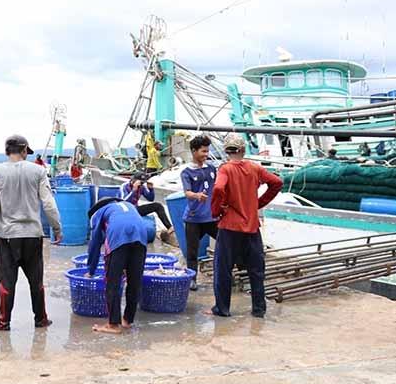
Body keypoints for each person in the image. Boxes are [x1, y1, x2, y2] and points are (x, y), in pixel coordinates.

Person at [0, 135, 62, 331]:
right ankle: (41, 319)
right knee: (36, 280)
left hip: (7, 236)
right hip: (33, 235)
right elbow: (49, 203)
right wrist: (57, 228)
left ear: (6, 151)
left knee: (7, 281)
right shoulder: (38, 171)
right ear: (25, 150)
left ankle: (3, 322)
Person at [208, 134, 282, 318]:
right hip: (251, 226)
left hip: (229, 227)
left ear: (226, 151)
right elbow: (277, 182)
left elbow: (218, 188)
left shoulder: (225, 169)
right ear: (243, 150)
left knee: (223, 269)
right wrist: (258, 203)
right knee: (256, 270)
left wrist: (217, 210)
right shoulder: (254, 168)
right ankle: (258, 309)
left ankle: (222, 309)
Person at [87, 198, 149, 334]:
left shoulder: (99, 213)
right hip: (141, 235)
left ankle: (113, 324)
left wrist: (90, 270)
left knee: (112, 282)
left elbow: (95, 243)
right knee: (134, 281)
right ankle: (128, 320)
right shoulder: (128, 205)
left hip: (118, 235)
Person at [180, 135, 217, 291]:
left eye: (207, 151)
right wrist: (197, 196)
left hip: (212, 217)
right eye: (203, 151)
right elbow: (187, 193)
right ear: (194, 151)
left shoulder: (212, 168)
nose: (206, 154)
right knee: (192, 251)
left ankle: (225, 273)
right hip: (194, 218)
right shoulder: (186, 172)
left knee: (226, 243)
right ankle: (192, 279)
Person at [120, 172, 178, 245]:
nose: (141, 185)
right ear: (133, 180)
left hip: (136, 209)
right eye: (140, 183)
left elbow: (150, 199)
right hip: (126, 210)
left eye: (142, 183)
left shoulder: (141, 187)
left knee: (157, 206)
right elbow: (123, 201)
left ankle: (169, 228)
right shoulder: (124, 186)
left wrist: (151, 189)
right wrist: (133, 190)